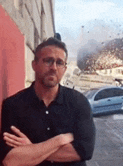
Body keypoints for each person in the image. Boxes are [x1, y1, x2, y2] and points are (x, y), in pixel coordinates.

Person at [0, 37, 96, 166]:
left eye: (59, 62)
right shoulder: (13, 105)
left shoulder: (79, 102)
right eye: (48, 61)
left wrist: (31, 149)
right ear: (34, 65)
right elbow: (10, 160)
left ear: (65, 69)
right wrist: (59, 140)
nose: (54, 68)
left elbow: (84, 151)